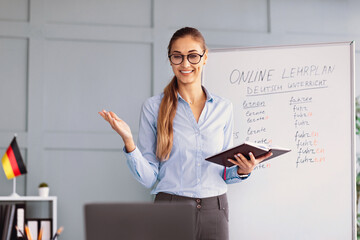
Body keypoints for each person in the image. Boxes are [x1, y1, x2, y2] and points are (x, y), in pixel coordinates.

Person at [99, 27, 272, 240]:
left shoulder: (224, 108)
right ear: (170, 60)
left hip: (215, 210)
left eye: (192, 56)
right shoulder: (153, 108)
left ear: (205, 57)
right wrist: (128, 141)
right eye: (177, 57)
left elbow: (224, 172)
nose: (185, 64)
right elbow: (148, 179)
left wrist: (243, 171)